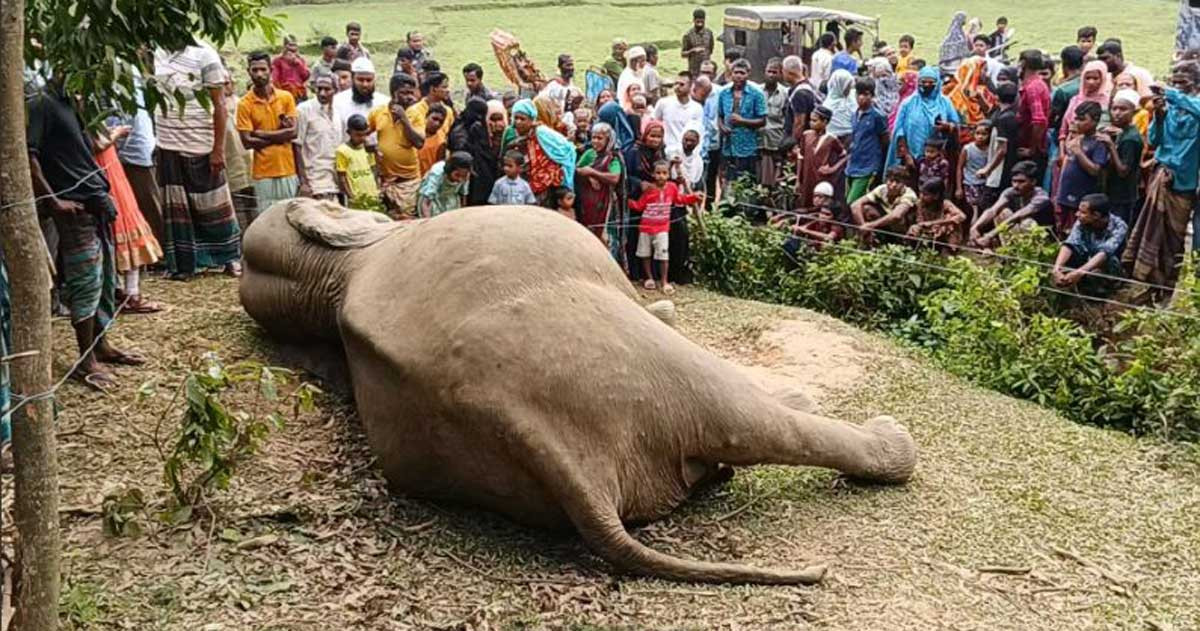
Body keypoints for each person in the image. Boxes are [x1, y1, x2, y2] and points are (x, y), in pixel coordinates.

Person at [27, 74, 146, 388]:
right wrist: (54, 202)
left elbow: (89, 147)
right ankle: (85, 359)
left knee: (106, 277)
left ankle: (101, 345)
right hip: (74, 206)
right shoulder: (41, 104)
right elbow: (30, 155)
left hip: (95, 204)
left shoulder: (73, 104)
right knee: (86, 281)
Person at [153, 43, 242, 280]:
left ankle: (229, 258)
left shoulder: (205, 54)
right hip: (167, 141)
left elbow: (220, 104)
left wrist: (218, 149)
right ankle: (184, 264)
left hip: (200, 142)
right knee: (177, 209)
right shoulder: (158, 52)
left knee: (214, 205)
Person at [1121, 61, 1200, 296]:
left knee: (1173, 240)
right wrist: (1160, 115)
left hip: (1184, 183)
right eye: (1174, 82)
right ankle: (1150, 283)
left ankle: (1167, 287)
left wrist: (1172, 95)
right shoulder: (1171, 107)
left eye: (1182, 83)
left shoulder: (1192, 105)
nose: (1177, 87)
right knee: (1152, 232)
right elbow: (1154, 140)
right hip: (1162, 175)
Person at [93, 125, 164, 313]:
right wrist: (116, 133)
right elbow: (97, 144)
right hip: (105, 171)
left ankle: (124, 291)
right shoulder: (81, 112)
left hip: (110, 167)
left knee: (125, 224)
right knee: (122, 225)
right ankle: (131, 294)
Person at [237, 51, 300, 213]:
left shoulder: (286, 97)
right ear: (248, 72)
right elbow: (247, 142)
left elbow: (293, 133)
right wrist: (280, 135)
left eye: (263, 69)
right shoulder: (245, 104)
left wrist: (260, 133)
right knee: (266, 216)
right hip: (263, 172)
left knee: (289, 214)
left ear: (271, 70)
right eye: (255, 70)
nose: (259, 74)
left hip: (287, 168)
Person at [627, 159, 702, 294]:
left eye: (664, 173)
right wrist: (626, 201)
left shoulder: (672, 187)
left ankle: (664, 281)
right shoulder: (649, 189)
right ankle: (649, 278)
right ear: (653, 174)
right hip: (645, 228)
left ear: (668, 174)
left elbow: (679, 199)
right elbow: (639, 206)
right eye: (658, 173)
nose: (661, 176)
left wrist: (693, 197)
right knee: (645, 254)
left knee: (663, 255)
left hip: (662, 228)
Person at [109, 67, 165, 249]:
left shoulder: (123, 70)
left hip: (134, 149)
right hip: (117, 147)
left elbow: (131, 116)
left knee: (149, 202)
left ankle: (161, 249)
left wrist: (118, 147)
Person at [369, 72, 425, 219]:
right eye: (404, 93)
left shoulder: (415, 114)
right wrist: (371, 148)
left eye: (411, 93)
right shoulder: (378, 112)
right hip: (385, 182)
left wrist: (404, 119)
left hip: (408, 182)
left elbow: (419, 143)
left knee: (407, 221)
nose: (410, 97)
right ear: (393, 93)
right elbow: (362, 134)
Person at [1052, 193, 1128, 295]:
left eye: (1082, 212)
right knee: (1064, 254)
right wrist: (1057, 268)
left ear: (1096, 215)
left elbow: (1105, 253)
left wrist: (1080, 272)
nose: (1077, 214)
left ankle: (1105, 290)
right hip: (1088, 258)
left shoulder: (1119, 226)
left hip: (1110, 267)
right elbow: (1070, 243)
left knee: (1098, 270)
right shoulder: (1082, 221)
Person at [886, 67, 960, 170]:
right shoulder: (908, 103)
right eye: (923, 82)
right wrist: (906, 155)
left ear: (937, 83)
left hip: (939, 159)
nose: (926, 85)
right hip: (912, 157)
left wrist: (948, 126)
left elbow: (956, 125)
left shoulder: (945, 102)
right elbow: (899, 131)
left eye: (931, 82)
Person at [506, 99, 577, 203]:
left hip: (546, 184)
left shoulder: (541, 132)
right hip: (528, 184)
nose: (518, 122)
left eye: (522, 119)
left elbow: (567, 149)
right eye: (516, 118)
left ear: (531, 119)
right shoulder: (517, 136)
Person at [970, 160, 1054, 248]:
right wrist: (975, 227)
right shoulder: (1011, 192)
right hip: (1020, 230)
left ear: (1033, 182)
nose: (1016, 185)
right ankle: (1010, 251)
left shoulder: (1041, 197)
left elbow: (1017, 217)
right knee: (1002, 212)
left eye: (1021, 182)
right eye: (1014, 181)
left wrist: (990, 235)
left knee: (1027, 222)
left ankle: (1028, 255)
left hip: (1043, 236)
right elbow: (992, 210)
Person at [717, 59, 767, 185]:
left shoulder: (756, 93)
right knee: (728, 181)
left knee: (746, 182)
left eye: (742, 73)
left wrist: (742, 121)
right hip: (728, 146)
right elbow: (720, 115)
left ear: (748, 74)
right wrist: (722, 127)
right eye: (736, 72)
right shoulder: (724, 93)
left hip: (748, 147)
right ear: (731, 73)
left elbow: (763, 120)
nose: (738, 76)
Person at [294, 73, 341, 201]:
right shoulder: (304, 110)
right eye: (319, 89)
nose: (322, 93)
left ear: (336, 90)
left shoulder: (337, 112)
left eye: (327, 89)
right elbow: (297, 146)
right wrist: (304, 182)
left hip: (334, 181)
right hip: (314, 181)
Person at [1103, 90, 1145, 224]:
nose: (1117, 113)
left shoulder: (1130, 139)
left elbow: (1123, 171)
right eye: (1114, 109)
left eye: (1123, 109)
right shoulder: (1123, 132)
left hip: (1122, 194)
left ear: (1134, 111)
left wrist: (1110, 145)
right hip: (1115, 191)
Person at [222, 69, 257, 231]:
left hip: (253, 167)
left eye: (227, 83)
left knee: (257, 212)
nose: (224, 87)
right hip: (231, 169)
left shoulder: (244, 104)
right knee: (239, 215)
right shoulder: (213, 111)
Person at [449, 97, 501, 206]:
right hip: (469, 176)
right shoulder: (460, 131)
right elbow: (459, 154)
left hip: (483, 175)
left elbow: (486, 149)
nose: (479, 117)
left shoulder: (478, 126)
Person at [845, 78, 889, 204]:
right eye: (859, 94)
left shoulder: (877, 116)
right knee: (848, 199)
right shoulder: (855, 114)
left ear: (872, 95)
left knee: (853, 201)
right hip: (853, 164)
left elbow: (885, 140)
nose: (861, 98)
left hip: (868, 166)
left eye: (866, 94)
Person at [978, 81, 1020, 209]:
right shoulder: (1012, 115)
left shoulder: (1003, 119)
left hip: (999, 172)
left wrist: (987, 169)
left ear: (996, 97)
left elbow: (1002, 150)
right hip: (1008, 167)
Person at [850, 167, 919, 244]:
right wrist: (863, 226)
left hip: (903, 227)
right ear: (886, 180)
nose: (893, 185)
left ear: (904, 184)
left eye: (898, 182)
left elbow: (896, 215)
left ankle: (900, 242)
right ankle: (871, 238)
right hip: (884, 223)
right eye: (891, 181)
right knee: (866, 209)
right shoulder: (882, 189)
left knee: (898, 220)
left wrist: (870, 225)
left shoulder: (909, 194)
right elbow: (855, 205)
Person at [796, 106, 846, 209]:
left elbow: (844, 156)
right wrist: (798, 179)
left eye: (815, 121)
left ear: (825, 122)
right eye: (810, 120)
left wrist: (833, 168)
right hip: (806, 178)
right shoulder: (806, 135)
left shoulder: (831, 139)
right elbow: (801, 157)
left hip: (821, 178)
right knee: (805, 203)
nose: (811, 123)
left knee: (820, 204)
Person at [333, 57, 389, 145]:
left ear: (374, 79)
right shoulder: (337, 102)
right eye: (360, 80)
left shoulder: (384, 102)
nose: (365, 84)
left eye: (369, 80)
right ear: (352, 78)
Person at [784, 181, 845, 252]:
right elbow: (804, 227)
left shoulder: (837, 225)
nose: (823, 216)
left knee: (826, 246)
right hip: (812, 247)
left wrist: (806, 231)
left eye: (827, 214)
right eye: (822, 213)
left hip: (830, 252)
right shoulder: (815, 217)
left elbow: (829, 238)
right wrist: (798, 229)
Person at [756, 58, 790, 187]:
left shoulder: (785, 93)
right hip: (759, 141)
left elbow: (787, 118)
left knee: (776, 177)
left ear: (780, 74)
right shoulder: (757, 91)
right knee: (759, 176)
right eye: (768, 71)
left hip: (776, 142)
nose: (771, 75)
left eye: (774, 72)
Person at [653, 70, 704, 153]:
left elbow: (697, 132)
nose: (677, 87)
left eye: (682, 84)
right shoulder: (663, 103)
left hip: (687, 152)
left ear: (690, 86)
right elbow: (655, 123)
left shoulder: (697, 108)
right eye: (676, 83)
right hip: (666, 150)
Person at [336, 114, 380, 210]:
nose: (362, 138)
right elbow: (342, 177)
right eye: (358, 135)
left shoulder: (368, 148)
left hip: (372, 195)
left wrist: (377, 188)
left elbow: (374, 169)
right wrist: (351, 196)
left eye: (365, 134)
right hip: (357, 199)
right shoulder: (342, 151)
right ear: (349, 132)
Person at [907, 179, 967, 250]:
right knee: (913, 228)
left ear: (936, 196)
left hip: (940, 233)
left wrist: (934, 223)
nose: (921, 196)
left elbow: (962, 216)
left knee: (950, 219)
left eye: (925, 194)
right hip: (925, 232)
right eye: (921, 193)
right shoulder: (920, 203)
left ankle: (948, 249)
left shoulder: (945, 204)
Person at [1017, 50, 1051, 169]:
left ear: (1022, 63)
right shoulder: (1038, 84)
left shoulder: (1033, 88)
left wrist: (1031, 149)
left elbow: (1039, 120)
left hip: (1030, 148)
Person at [417, 151, 473, 217]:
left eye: (464, 176)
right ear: (449, 170)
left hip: (451, 201)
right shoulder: (437, 173)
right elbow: (426, 202)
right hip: (434, 200)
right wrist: (428, 221)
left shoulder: (466, 175)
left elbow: (463, 195)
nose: (460, 179)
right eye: (457, 175)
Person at [957, 121, 991, 219]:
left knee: (983, 208)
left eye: (984, 134)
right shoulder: (967, 149)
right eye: (978, 133)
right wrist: (959, 188)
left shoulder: (990, 149)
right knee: (974, 209)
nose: (980, 137)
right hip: (970, 182)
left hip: (985, 183)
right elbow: (960, 168)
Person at [1050, 46, 1086, 139]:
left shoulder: (1063, 90)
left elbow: (1052, 116)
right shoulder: (1093, 82)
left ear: (1064, 65)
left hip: (1065, 134)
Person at [781, 56, 815, 138]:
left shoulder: (800, 93)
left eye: (783, 70)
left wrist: (793, 144)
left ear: (790, 73)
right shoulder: (809, 85)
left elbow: (799, 124)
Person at [272, 35, 311, 102]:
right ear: (285, 46)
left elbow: (306, 76)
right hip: (284, 95)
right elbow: (275, 80)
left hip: (300, 94)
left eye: (294, 45)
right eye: (290, 45)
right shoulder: (278, 61)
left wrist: (298, 64)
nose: (292, 48)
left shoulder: (301, 60)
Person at [681, 8, 715, 78]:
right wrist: (692, 51)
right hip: (694, 72)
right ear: (693, 20)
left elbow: (710, 50)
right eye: (698, 22)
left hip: (707, 72)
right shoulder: (688, 35)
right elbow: (683, 54)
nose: (700, 24)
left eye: (702, 22)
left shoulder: (709, 33)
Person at [417, 103, 449, 175]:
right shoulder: (416, 130)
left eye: (441, 122)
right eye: (434, 119)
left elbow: (439, 167)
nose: (437, 124)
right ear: (426, 116)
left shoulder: (441, 143)